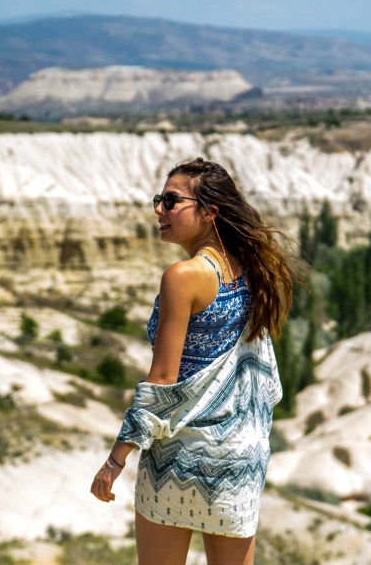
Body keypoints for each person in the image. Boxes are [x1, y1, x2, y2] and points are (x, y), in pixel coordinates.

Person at [90, 157, 295, 565]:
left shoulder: (183, 276)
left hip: (179, 456)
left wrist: (115, 460)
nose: (159, 211)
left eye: (171, 200)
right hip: (238, 459)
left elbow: (163, 380)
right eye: (158, 200)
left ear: (208, 211)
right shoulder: (252, 268)